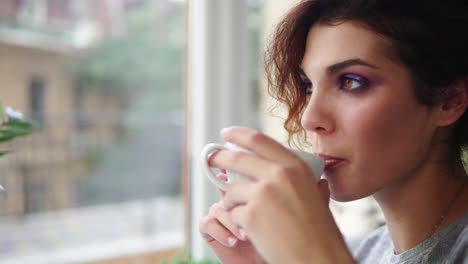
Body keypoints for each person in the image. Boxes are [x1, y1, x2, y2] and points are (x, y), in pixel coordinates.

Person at [198, 0, 468, 263]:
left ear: (449, 100)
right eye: (308, 87)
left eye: (350, 82)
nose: (309, 118)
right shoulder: (360, 253)